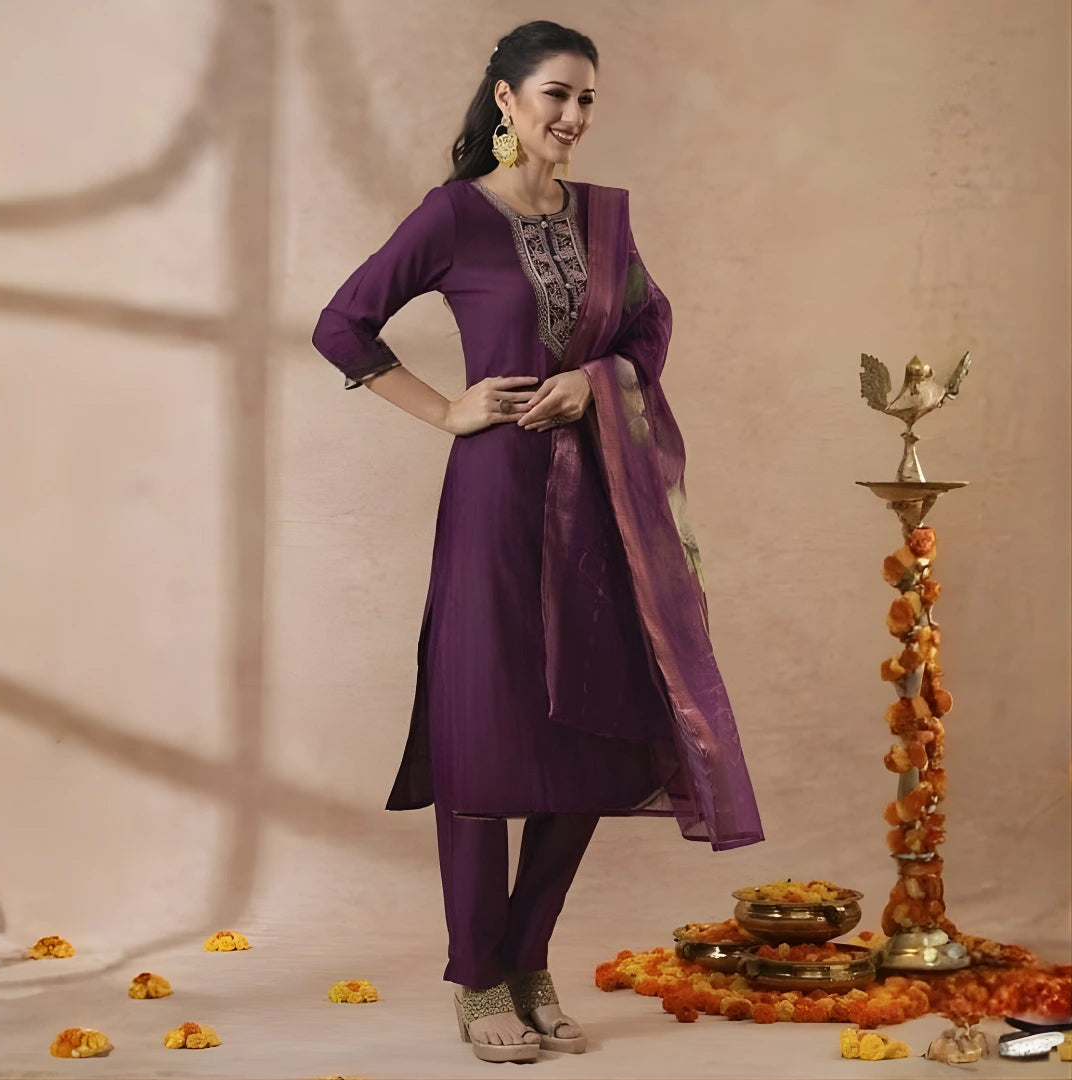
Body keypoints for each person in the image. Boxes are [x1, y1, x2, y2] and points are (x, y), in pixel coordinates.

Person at [311, 20, 765, 1064]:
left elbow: (648, 328)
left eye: (587, 98)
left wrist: (595, 383)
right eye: (557, 94)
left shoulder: (603, 221)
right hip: (495, 504)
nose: (574, 115)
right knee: (480, 727)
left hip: (598, 503)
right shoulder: (454, 216)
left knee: (593, 726)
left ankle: (527, 956)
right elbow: (343, 324)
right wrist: (445, 410)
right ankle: (478, 974)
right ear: (507, 101)